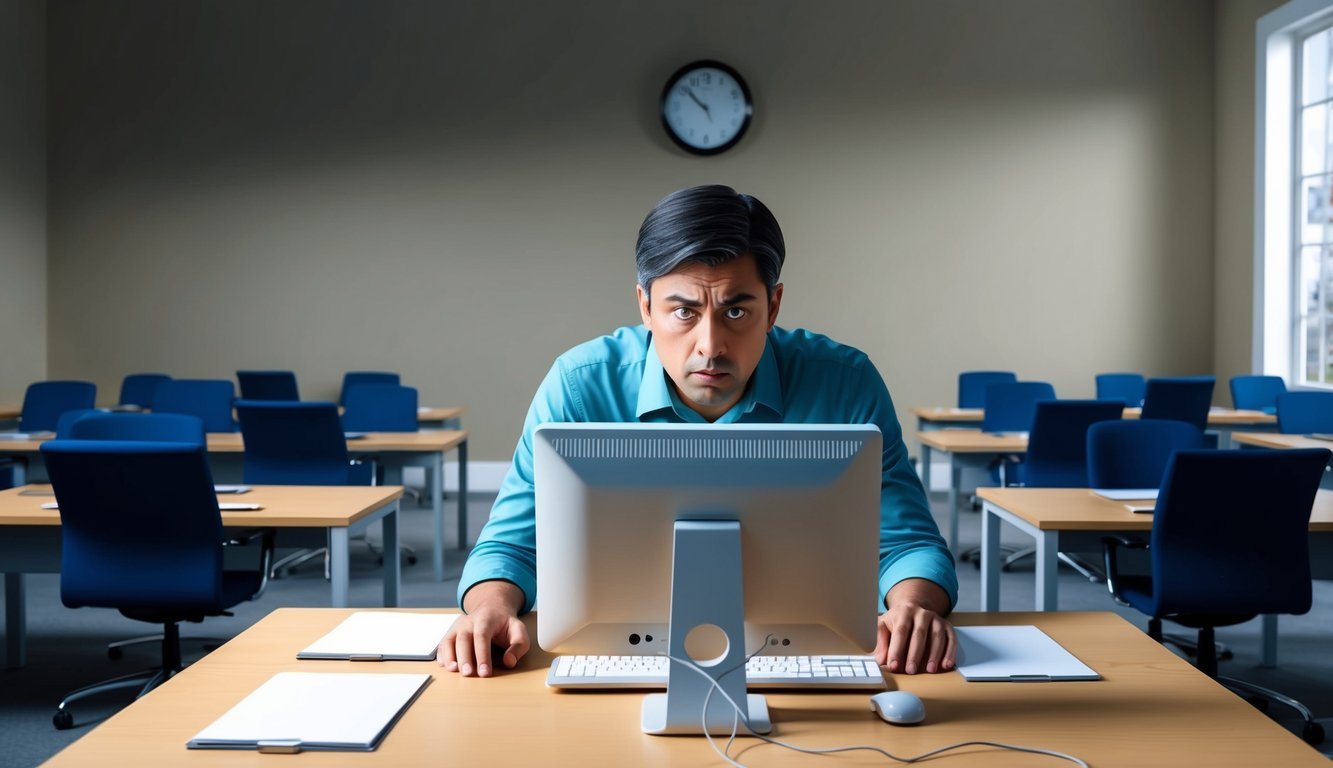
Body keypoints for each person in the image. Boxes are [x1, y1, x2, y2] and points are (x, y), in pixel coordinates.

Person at [441, 184, 959, 678]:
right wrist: (489, 608)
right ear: (645, 306)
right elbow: (512, 545)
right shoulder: (578, 386)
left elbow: (906, 544)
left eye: (736, 310)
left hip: (807, 661)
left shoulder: (846, 383)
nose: (710, 345)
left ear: (773, 306)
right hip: (616, 658)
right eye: (683, 312)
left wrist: (911, 607)